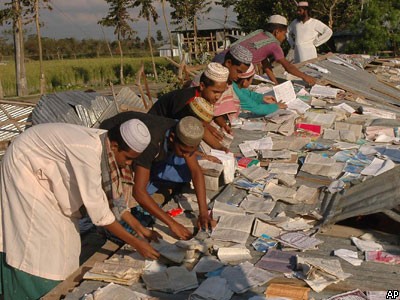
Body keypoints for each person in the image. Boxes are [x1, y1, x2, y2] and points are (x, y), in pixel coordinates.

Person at [0, 121, 160, 300]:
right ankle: (32, 290)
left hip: (43, 171)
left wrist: (142, 230)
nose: (128, 164)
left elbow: (114, 202)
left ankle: (56, 287)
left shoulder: (104, 145)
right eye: (128, 158)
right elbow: (101, 215)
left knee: (67, 244)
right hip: (24, 169)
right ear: (114, 146)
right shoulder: (88, 152)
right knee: (37, 244)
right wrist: (136, 243)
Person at [100, 113, 213, 241]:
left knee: (184, 171)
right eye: (183, 151)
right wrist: (172, 224)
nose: (187, 156)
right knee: (118, 192)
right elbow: (138, 192)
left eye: (190, 152)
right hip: (113, 144)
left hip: (138, 147)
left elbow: (196, 172)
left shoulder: (183, 132)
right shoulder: (151, 143)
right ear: (172, 138)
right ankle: (108, 228)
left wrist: (203, 212)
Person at [213, 15, 316, 86]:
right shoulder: (274, 45)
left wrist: (274, 82)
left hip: (220, 58)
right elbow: (288, 66)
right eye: (284, 34)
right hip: (230, 65)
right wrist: (305, 77)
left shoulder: (259, 34)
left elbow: (265, 65)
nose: (284, 38)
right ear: (277, 32)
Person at [149, 63, 229, 151]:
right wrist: (217, 148)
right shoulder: (187, 100)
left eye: (221, 92)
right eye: (215, 92)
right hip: (154, 133)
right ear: (202, 86)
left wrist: (220, 148)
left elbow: (199, 125)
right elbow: (190, 128)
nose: (218, 97)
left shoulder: (204, 101)